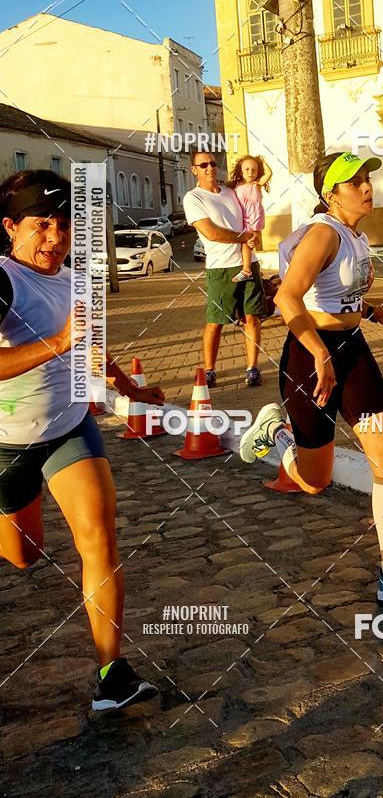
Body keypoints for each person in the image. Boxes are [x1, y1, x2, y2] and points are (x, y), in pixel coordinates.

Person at [238, 151, 383, 604]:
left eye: (368, 179)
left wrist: (371, 311)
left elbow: (337, 294)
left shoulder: (353, 235)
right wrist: (318, 354)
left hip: (353, 350)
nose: (368, 187)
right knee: (315, 481)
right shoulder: (324, 233)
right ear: (331, 194)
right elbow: (288, 299)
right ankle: (278, 434)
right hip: (310, 357)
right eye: (356, 182)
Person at [0, 169, 164, 711]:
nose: (55, 237)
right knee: (24, 555)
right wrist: (57, 341)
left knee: (99, 540)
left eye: (65, 224)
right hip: (7, 444)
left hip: (70, 427)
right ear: (10, 227)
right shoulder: (3, 281)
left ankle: (112, 674)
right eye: (41, 224)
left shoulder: (76, 280)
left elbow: (88, 345)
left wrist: (125, 384)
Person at [183, 146, 266, 387]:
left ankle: (252, 367)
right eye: (203, 165)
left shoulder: (231, 192)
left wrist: (255, 235)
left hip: (249, 262)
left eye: (213, 163)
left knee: (252, 318)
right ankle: (210, 369)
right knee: (216, 321)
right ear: (194, 170)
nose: (210, 168)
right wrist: (243, 237)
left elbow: (251, 216)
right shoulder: (194, 197)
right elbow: (211, 233)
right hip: (221, 269)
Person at [227, 155, 272, 283]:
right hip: (244, 219)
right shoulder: (236, 186)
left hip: (255, 219)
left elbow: (269, 173)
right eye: (247, 169)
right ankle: (253, 269)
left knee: (247, 244)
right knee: (249, 244)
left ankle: (247, 270)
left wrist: (262, 160)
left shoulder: (256, 185)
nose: (250, 172)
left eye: (254, 170)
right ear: (240, 170)